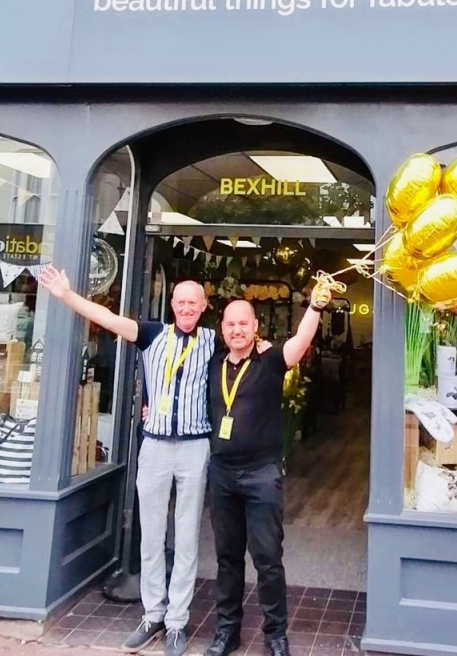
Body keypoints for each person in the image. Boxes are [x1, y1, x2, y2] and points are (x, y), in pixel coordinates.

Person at [38, 266, 214, 656]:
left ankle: (177, 623)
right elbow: (109, 319)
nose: (186, 307)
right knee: (151, 535)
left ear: (203, 306)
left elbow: (250, 349)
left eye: (193, 302)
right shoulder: (152, 335)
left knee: (186, 539)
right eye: (180, 301)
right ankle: (153, 614)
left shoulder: (214, 341)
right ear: (173, 304)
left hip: (194, 446)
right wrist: (67, 295)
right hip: (154, 446)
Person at [204, 280, 332, 656]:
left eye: (244, 323)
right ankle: (227, 632)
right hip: (223, 474)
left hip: (261, 474)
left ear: (255, 326)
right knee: (227, 559)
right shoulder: (213, 364)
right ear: (222, 329)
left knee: (267, 560)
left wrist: (315, 307)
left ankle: (276, 635)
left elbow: (301, 342)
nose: (237, 330)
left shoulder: (270, 360)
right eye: (230, 324)